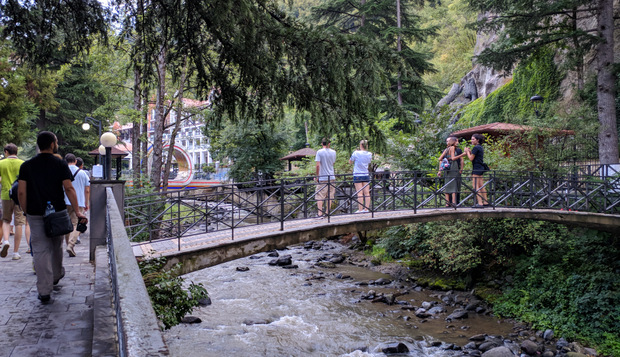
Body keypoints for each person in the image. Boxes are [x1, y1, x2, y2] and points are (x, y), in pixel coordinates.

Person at [17, 131, 88, 304]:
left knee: (40, 249)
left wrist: (26, 211)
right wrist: (78, 211)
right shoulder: (59, 164)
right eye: (55, 141)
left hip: (35, 212)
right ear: (52, 144)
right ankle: (56, 275)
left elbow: (21, 191)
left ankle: (44, 290)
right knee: (56, 244)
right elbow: (69, 188)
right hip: (56, 211)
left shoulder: (27, 166)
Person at [0, 143, 26, 260]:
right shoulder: (22, 164)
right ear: (16, 152)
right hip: (19, 195)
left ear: (6, 152)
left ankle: (6, 241)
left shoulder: (1, 163)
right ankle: (16, 252)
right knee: (19, 223)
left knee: (6, 220)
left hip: (6, 194)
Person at [63, 153, 90, 257]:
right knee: (76, 224)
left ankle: (68, 245)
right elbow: (87, 189)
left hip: (65, 201)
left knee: (67, 224)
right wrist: (86, 203)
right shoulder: (82, 173)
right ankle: (70, 244)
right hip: (79, 202)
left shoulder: (63, 170)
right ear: (75, 161)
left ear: (66, 161)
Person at [463, 133, 490, 207]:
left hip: (477, 168)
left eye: (473, 139)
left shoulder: (475, 147)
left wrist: (467, 152)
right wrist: (470, 152)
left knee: (475, 186)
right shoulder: (480, 147)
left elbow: (471, 158)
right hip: (480, 167)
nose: (471, 140)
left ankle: (480, 203)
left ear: (477, 140)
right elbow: (475, 156)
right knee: (481, 185)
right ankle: (485, 202)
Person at [437, 137, 463, 208]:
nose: (457, 143)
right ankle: (454, 202)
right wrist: (463, 154)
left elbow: (440, 159)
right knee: (453, 184)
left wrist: (440, 169)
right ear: (454, 142)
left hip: (447, 168)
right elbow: (453, 158)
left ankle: (447, 203)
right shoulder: (452, 148)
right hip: (453, 167)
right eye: (456, 141)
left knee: (447, 184)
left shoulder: (446, 149)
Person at [315, 138, 336, 218]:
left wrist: (317, 176)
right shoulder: (334, 152)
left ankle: (320, 214)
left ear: (321, 143)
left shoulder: (319, 152)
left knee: (320, 195)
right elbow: (332, 163)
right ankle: (327, 213)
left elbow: (317, 165)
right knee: (330, 195)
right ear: (329, 143)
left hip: (322, 177)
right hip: (331, 176)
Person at [349, 140, 372, 213]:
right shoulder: (369, 154)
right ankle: (366, 209)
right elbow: (369, 162)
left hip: (357, 174)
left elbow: (350, 161)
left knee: (360, 193)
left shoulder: (356, 153)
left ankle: (360, 209)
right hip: (366, 174)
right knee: (367, 193)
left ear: (361, 145)